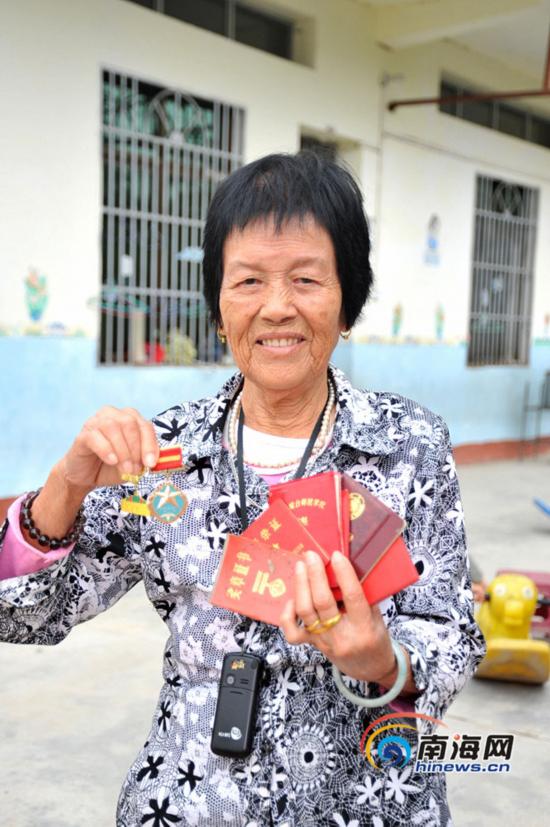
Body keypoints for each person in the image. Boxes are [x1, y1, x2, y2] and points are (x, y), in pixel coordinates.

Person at [0, 152, 485, 826]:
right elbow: (22, 613)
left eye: (307, 279)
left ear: (348, 300)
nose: (277, 307)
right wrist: (66, 485)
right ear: (220, 309)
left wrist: (380, 657)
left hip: (364, 802)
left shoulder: (407, 446)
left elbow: (452, 635)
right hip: (192, 800)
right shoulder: (164, 456)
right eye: (249, 280)